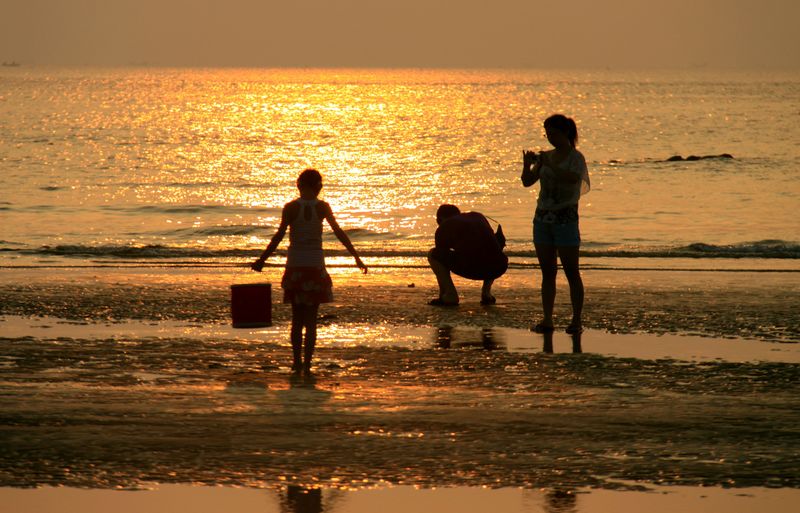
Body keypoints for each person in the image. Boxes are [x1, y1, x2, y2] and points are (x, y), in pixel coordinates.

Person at [252, 168, 368, 374]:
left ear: (298, 185)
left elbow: (278, 236)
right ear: (319, 187)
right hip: (315, 267)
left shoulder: (290, 207)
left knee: (297, 320)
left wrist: (262, 260)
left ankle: (297, 362)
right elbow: (339, 232)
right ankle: (307, 363)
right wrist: (356, 257)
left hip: (295, 266)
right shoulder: (322, 207)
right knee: (311, 320)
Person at [521, 114, 590, 334]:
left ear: (566, 133)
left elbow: (572, 179)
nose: (549, 137)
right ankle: (547, 319)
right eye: (547, 132)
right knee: (547, 272)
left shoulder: (575, 157)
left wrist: (549, 163)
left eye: (553, 133)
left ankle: (576, 320)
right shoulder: (546, 157)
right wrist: (526, 165)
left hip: (566, 219)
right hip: (542, 219)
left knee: (571, 271)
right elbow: (527, 182)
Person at [427, 204, 508, 306]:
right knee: (488, 249)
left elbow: (441, 258)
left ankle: (449, 294)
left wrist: (441, 295)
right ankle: (486, 293)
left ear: (439, 219)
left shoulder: (444, 227)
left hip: (473, 267)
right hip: (498, 266)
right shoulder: (478, 216)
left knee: (433, 254)